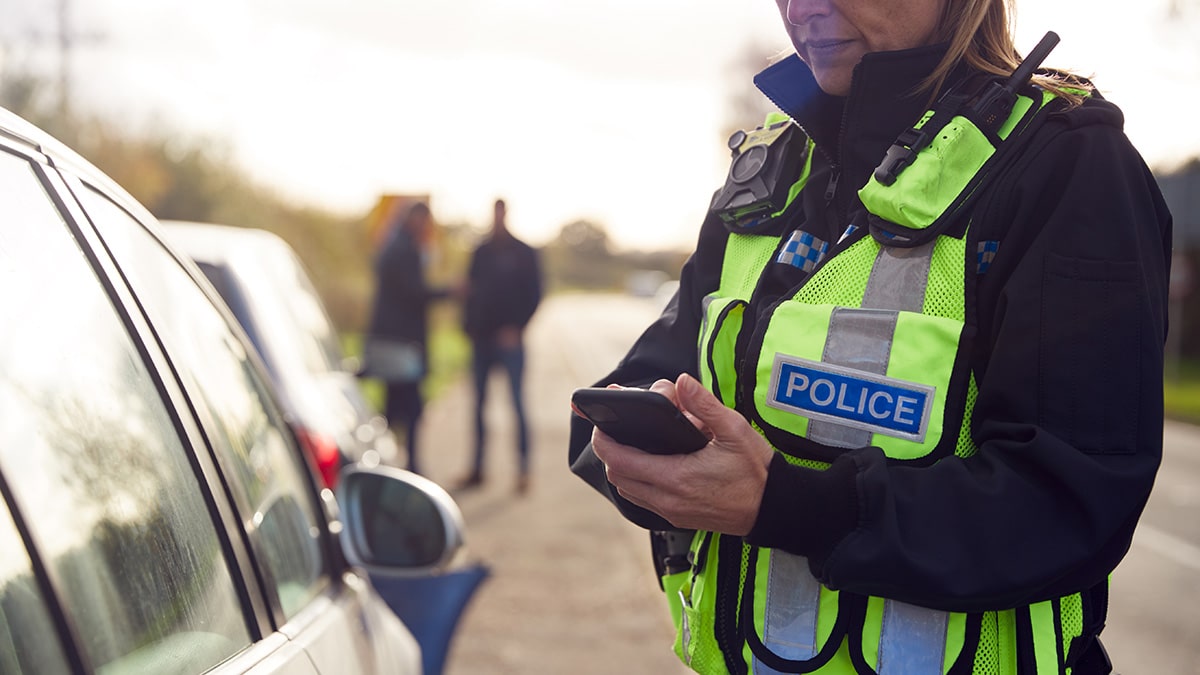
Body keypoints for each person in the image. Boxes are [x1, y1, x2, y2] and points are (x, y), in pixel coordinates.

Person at [568, 0, 1172, 673]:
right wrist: (644, 458)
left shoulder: (1070, 166)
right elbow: (635, 386)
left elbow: (1068, 506)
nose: (803, 6)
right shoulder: (774, 163)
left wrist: (785, 504)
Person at [461, 198, 543, 493]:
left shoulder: (524, 252)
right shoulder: (480, 251)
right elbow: (469, 290)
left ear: (506, 214)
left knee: (517, 404)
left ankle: (523, 470)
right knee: (478, 405)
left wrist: (517, 328)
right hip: (481, 340)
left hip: (510, 341)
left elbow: (535, 295)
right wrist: (467, 328)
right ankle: (478, 468)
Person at [364, 201, 449, 475]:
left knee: (395, 406)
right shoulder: (405, 249)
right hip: (401, 344)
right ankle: (407, 467)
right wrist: (449, 292)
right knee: (408, 409)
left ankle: (388, 465)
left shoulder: (394, 245)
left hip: (393, 341)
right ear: (416, 220)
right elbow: (415, 293)